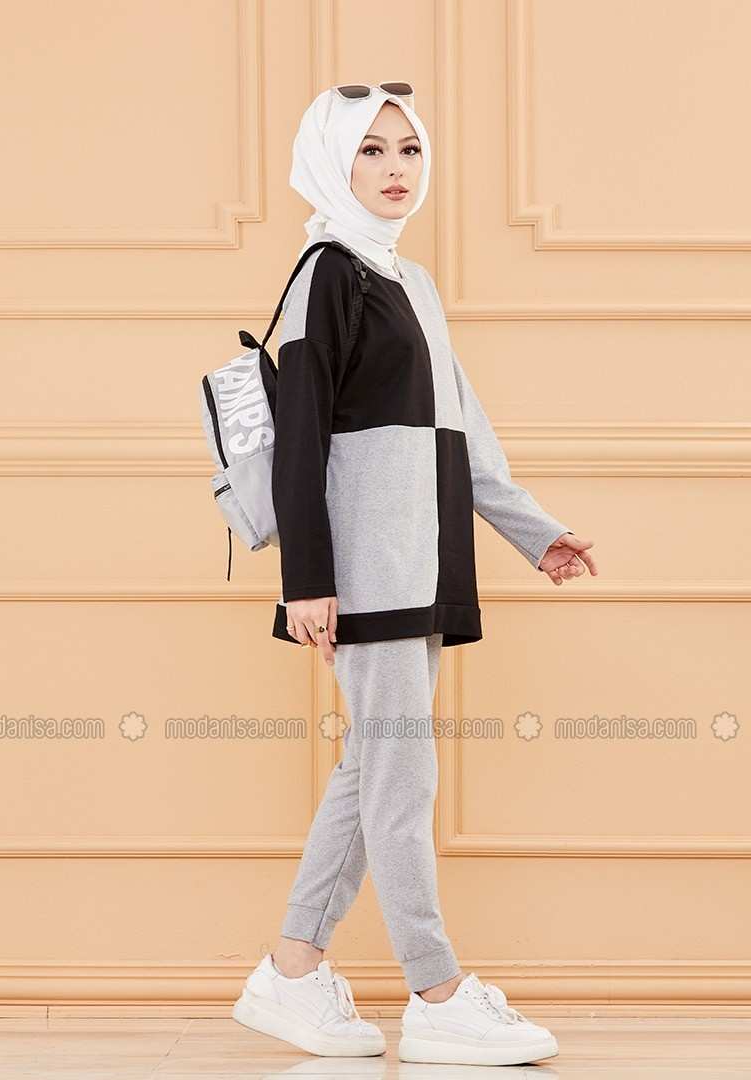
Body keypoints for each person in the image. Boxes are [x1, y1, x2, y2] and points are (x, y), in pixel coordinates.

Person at [232, 82, 597, 1067]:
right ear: (331, 162)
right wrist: (306, 580)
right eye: (370, 150)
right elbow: (300, 437)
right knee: (401, 779)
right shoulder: (327, 273)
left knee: (375, 768)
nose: (395, 168)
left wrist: (534, 534)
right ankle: (435, 992)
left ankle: (290, 972)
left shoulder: (410, 280)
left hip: (422, 563)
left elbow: (461, 429)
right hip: (365, 574)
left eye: (408, 149)